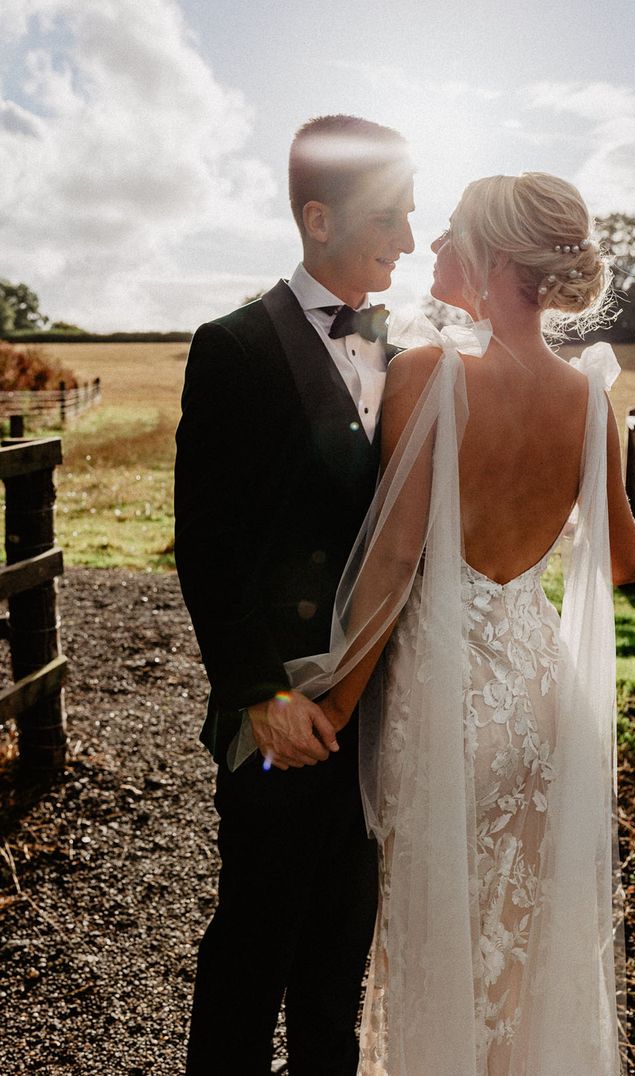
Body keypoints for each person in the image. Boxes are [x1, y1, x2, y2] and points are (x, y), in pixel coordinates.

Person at [283, 172, 635, 1074]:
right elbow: (628, 559)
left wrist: (329, 703)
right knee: (516, 948)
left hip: (444, 698)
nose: (432, 248)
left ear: (490, 258)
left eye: (449, 235)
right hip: (539, 694)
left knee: (433, 932)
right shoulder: (585, 398)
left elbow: (396, 565)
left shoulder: (430, 374)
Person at [174, 114, 415, 1075]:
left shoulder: (413, 350)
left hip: (378, 704)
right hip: (283, 713)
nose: (406, 237)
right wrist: (260, 693)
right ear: (317, 219)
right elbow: (207, 547)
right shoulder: (233, 348)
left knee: (339, 962)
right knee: (253, 950)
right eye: (388, 217)